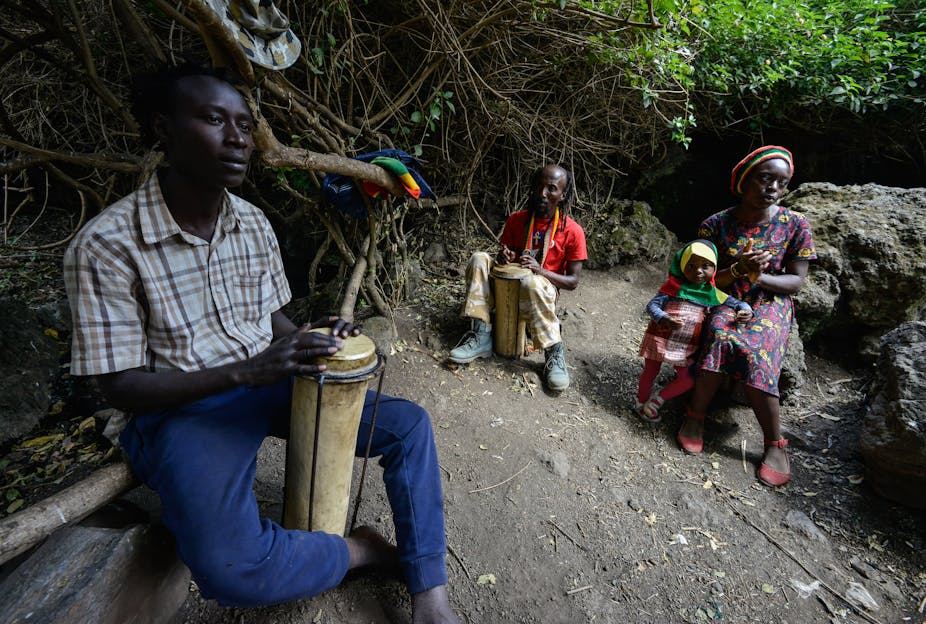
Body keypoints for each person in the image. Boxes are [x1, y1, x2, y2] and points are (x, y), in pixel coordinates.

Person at [63, 65, 459, 623]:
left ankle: (429, 592)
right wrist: (248, 372)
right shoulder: (105, 245)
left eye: (245, 125)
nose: (237, 138)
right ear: (164, 129)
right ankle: (361, 550)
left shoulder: (251, 223)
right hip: (183, 412)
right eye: (214, 119)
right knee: (230, 570)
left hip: (270, 380)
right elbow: (121, 387)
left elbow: (268, 317)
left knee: (409, 425)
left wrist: (308, 341)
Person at [676, 146, 816, 487]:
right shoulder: (716, 225)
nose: (772, 188)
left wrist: (758, 278)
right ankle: (695, 415)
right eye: (765, 178)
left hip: (771, 302)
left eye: (781, 183)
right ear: (743, 180)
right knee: (720, 336)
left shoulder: (795, 225)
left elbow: (795, 281)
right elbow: (704, 278)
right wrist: (739, 269)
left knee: (758, 350)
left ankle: (774, 442)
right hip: (727, 296)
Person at [448, 164, 587, 391]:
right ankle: (481, 334)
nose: (542, 193)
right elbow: (509, 261)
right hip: (509, 288)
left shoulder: (572, 231)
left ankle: (554, 351)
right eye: (539, 186)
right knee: (479, 259)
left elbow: (572, 282)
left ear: (562, 196)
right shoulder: (517, 219)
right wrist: (504, 257)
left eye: (551, 189)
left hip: (541, 289)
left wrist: (540, 270)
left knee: (531, 281)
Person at [637, 239, 753, 422]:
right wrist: (664, 318)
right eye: (691, 265)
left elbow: (737, 303)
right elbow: (652, 306)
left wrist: (746, 310)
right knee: (650, 372)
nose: (698, 271)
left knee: (688, 379)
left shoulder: (711, 293)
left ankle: (657, 400)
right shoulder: (672, 287)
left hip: (685, 345)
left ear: (714, 268)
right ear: (681, 266)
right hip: (659, 336)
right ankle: (641, 402)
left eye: (705, 265)